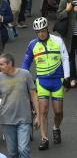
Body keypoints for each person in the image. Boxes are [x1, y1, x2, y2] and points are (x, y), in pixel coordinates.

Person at [21, 17, 70, 150]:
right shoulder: (32, 45)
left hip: (57, 81)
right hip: (42, 81)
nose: (41, 34)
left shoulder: (57, 40)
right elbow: (26, 63)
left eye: (43, 31)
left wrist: (67, 77)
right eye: (38, 32)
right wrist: (23, 78)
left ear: (47, 29)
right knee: (42, 110)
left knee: (58, 112)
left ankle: (56, 127)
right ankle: (44, 138)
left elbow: (65, 58)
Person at [56, 0, 77, 86]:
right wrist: (67, 11)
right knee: (71, 56)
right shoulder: (65, 0)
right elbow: (58, 16)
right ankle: (73, 78)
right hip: (70, 34)